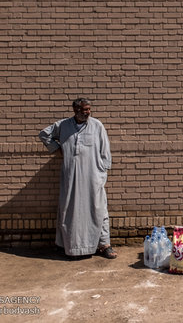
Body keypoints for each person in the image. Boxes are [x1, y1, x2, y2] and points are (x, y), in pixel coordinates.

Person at [38, 98, 117, 259]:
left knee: (98, 208)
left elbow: (105, 151)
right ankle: (67, 245)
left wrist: (102, 172)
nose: (87, 112)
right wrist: (58, 149)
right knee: (69, 208)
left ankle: (104, 245)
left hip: (93, 175)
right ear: (75, 110)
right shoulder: (64, 125)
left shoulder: (97, 126)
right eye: (83, 110)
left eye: (89, 109)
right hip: (71, 176)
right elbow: (44, 134)